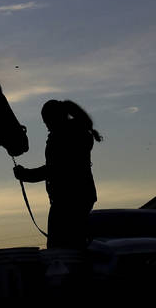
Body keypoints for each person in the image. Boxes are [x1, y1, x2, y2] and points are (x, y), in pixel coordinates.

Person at [13, 99, 102, 249]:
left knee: (59, 247)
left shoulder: (63, 136)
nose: (47, 126)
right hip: (80, 196)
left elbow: (55, 169)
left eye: (47, 122)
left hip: (67, 198)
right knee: (76, 243)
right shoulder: (77, 132)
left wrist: (25, 175)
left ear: (54, 118)